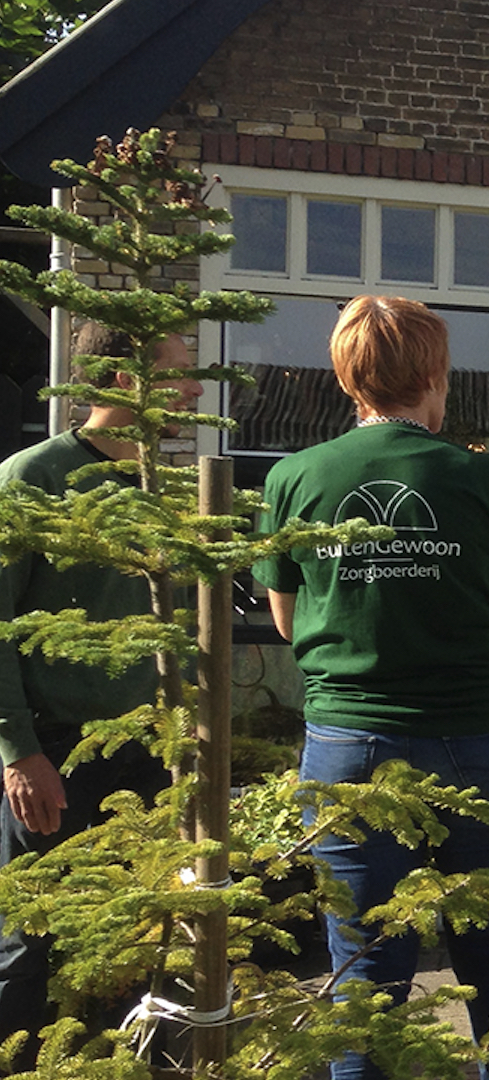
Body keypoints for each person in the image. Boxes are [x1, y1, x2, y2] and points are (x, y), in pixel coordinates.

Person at [255, 296, 489, 1080]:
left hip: (351, 749)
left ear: (347, 376)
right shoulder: (486, 479)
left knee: (365, 969)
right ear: (434, 373)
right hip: (485, 740)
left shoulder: (295, 478)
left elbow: (288, 623)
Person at [0, 326, 198, 1043]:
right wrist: (19, 752)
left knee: (136, 942)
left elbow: (180, 634)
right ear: (123, 380)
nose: (198, 388)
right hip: (57, 754)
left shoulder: (160, 490)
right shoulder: (32, 478)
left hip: (149, 757)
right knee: (31, 941)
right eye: (182, 372)